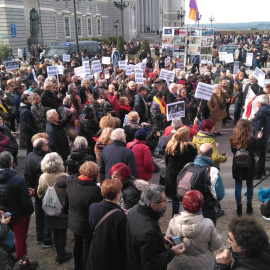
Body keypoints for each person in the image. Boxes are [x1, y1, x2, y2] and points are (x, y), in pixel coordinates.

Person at [126, 184, 185, 270]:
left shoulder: (134, 209)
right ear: (153, 205)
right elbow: (150, 265)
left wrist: (160, 237)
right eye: (164, 200)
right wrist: (172, 252)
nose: (166, 203)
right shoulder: (148, 230)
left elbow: (139, 239)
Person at [57, 161, 103, 270]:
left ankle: (77, 266)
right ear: (94, 175)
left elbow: (59, 182)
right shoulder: (95, 190)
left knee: (78, 245)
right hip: (87, 224)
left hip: (73, 220)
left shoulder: (72, 181)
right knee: (86, 248)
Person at [0, 151, 38, 269]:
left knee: (4, 238)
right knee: (20, 241)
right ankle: (24, 265)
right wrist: (29, 212)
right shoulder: (18, 180)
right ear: (12, 163)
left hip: (3, 214)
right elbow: (26, 202)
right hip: (18, 216)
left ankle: (9, 259)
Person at [166, 190, 222, 270]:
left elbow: (169, 243)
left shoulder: (173, 222)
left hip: (180, 264)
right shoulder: (208, 224)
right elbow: (216, 246)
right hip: (203, 264)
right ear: (201, 206)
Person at [37, 152, 72, 264]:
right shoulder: (65, 177)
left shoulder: (42, 177)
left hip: (49, 209)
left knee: (54, 231)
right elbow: (70, 194)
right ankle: (61, 255)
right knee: (62, 232)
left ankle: (57, 253)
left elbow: (39, 193)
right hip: (62, 210)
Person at [86, 178, 127, 270]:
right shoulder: (120, 216)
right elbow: (123, 238)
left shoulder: (93, 207)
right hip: (111, 254)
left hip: (96, 250)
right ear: (117, 195)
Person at [24, 138, 52, 248]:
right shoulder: (44, 158)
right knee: (46, 213)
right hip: (42, 189)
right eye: (47, 144)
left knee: (39, 212)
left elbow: (27, 173)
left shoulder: (30, 155)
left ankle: (39, 235)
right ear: (42, 147)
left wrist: (30, 188)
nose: (48, 145)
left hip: (34, 189)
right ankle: (47, 238)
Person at [165, 127, 197, 216]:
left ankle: (174, 215)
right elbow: (193, 162)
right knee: (185, 197)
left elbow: (166, 162)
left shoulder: (170, 146)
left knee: (175, 198)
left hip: (172, 176)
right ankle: (185, 215)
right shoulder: (191, 147)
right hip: (186, 175)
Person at [230, 119, 259, 217]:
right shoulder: (253, 139)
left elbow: (234, 151)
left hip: (237, 165)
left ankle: (239, 208)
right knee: (249, 185)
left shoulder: (233, 139)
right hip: (249, 165)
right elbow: (255, 152)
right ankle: (249, 207)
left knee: (238, 186)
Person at [192, 143, 225, 224]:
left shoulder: (189, 166)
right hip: (207, 209)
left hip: (190, 206)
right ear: (211, 154)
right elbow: (219, 195)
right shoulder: (212, 170)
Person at [251, 94, 270, 179]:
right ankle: (262, 171)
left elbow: (258, 126)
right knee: (262, 154)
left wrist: (252, 119)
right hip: (265, 135)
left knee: (258, 155)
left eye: (257, 102)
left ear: (260, 103)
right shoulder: (267, 110)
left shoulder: (261, 113)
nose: (256, 103)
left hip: (259, 136)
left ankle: (258, 174)